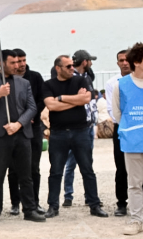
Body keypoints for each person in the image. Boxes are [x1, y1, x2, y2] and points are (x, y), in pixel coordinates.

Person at [0, 50, 44, 223]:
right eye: (12, 63)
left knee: (26, 175)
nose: (17, 65)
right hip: (0, 136)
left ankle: (29, 209)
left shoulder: (24, 82)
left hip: (21, 134)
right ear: (1, 63)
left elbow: (32, 108)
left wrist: (18, 124)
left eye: (18, 62)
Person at [42, 55, 109, 218]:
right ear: (58, 68)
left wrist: (62, 98)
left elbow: (86, 98)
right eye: (68, 66)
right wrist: (75, 100)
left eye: (72, 65)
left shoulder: (80, 81)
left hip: (81, 132)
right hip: (58, 133)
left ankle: (94, 205)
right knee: (56, 171)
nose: (72, 68)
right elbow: (51, 105)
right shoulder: (48, 85)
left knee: (87, 170)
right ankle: (53, 206)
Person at [112, 42, 143, 235]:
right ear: (137, 62)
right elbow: (118, 113)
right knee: (134, 183)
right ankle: (135, 220)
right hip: (133, 140)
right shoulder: (121, 85)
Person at [8, 48, 46, 216]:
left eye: (23, 60)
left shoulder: (35, 77)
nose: (21, 64)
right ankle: (15, 203)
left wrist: (30, 116)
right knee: (13, 169)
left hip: (33, 127)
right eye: (18, 61)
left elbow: (41, 100)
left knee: (33, 167)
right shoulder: (6, 79)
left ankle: (34, 202)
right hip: (13, 128)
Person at [62, 49, 98, 207]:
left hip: (89, 124)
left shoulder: (87, 77)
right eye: (89, 61)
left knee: (87, 162)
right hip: (78, 126)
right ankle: (68, 195)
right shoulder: (72, 78)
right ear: (85, 62)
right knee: (72, 162)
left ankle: (89, 195)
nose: (91, 64)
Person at [106, 49, 132, 216]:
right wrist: (126, 123)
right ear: (117, 63)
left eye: (127, 60)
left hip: (140, 126)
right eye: (121, 60)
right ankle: (121, 202)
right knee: (121, 165)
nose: (125, 63)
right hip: (121, 127)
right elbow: (111, 109)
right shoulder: (112, 83)